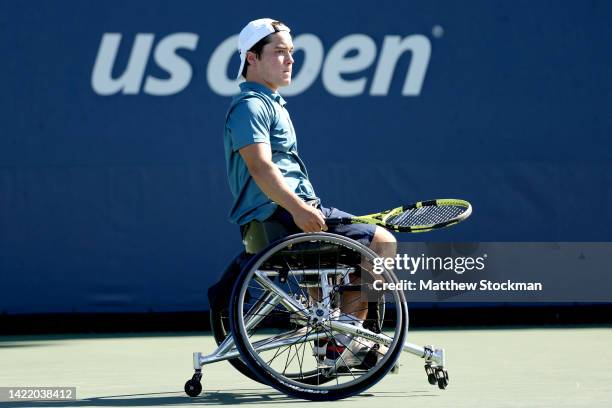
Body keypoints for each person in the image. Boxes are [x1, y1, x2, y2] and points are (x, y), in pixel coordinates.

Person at [223, 18, 396, 369]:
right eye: (279, 52)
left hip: (280, 215)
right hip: (278, 216)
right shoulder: (252, 106)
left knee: (329, 265)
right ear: (251, 59)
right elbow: (261, 167)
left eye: (291, 53)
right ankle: (347, 339)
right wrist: (300, 209)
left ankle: (333, 338)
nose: (289, 60)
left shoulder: (270, 103)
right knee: (383, 242)